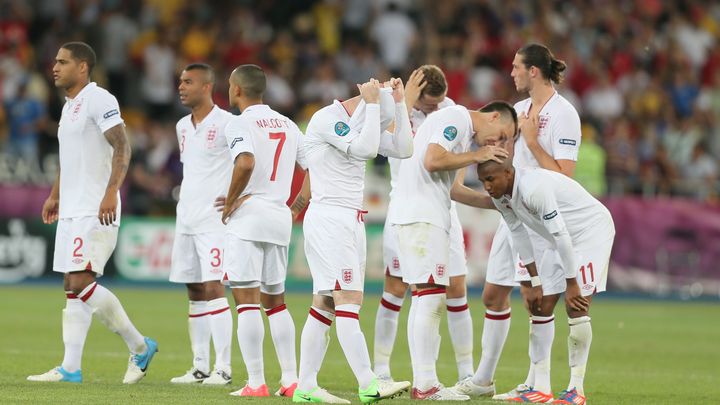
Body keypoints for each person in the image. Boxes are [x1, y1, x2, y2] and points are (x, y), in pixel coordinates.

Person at [450, 44, 585, 404]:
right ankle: (483, 379)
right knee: (493, 295)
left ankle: (535, 382)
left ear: (534, 72)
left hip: (541, 219)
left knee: (536, 301)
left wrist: (531, 142)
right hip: (513, 216)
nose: (511, 73)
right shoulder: (518, 110)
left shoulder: (564, 114)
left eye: (516, 67)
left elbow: (565, 178)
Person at [27, 42, 157, 384]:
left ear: (82, 67)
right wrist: (55, 195)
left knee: (81, 281)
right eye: (54, 60)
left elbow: (122, 145)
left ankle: (140, 345)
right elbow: (69, 158)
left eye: (62, 61)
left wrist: (112, 191)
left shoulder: (99, 99)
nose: (54, 67)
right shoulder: (70, 106)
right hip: (73, 207)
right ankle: (70, 368)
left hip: (95, 208)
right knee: (72, 287)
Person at [292, 78, 413, 404]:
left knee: (326, 303)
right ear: (366, 108)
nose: (384, 126)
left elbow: (404, 148)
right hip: (331, 218)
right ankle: (369, 384)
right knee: (349, 300)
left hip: (348, 220)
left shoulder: (366, 121)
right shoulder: (327, 119)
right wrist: (374, 105)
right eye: (381, 119)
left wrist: (398, 103)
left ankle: (305, 386)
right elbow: (364, 149)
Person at [391, 100, 517, 400]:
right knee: (431, 299)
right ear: (495, 116)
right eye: (501, 135)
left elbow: (453, 189)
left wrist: (495, 204)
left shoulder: (457, 130)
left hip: (415, 214)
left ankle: (423, 381)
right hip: (423, 216)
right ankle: (426, 385)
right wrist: (479, 154)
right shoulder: (457, 118)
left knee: (424, 297)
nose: (497, 144)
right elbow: (432, 160)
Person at [476, 160, 615, 404]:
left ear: (508, 173)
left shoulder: (534, 189)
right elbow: (518, 233)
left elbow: (561, 233)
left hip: (589, 232)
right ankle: (540, 388)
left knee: (576, 305)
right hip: (556, 238)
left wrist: (572, 283)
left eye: (490, 179)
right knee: (540, 305)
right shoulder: (501, 196)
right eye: (483, 181)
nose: (487, 186)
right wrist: (535, 279)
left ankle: (576, 390)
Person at [373, 65, 474, 386]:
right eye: (428, 105)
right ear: (416, 93)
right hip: (405, 209)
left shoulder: (449, 109)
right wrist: (405, 103)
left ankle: (466, 374)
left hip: (444, 209)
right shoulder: (394, 108)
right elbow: (394, 149)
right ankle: (381, 370)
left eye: (439, 103)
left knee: (456, 288)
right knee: (396, 289)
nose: (435, 110)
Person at [218, 64, 302, 397]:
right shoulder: (289, 124)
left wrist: (230, 202)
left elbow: (246, 162)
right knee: (276, 303)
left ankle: (256, 383)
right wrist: (294, 206)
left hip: (250, 218)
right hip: (279, 216)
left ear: (236, 89)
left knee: (247, 302)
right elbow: (314, 167)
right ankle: (291, 379)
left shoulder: (238, 122)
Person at [169, 63, 234, 385]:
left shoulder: (227, 123)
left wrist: (238, 198)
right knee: (194, 290)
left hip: (214, 220)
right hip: (187, 218)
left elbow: (249, 162)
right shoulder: (182, 126)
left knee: (213, 287)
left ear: (207, 86)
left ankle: (224, 368)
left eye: (188, 82)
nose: (181, 87)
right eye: (180, 81)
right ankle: (199, 367)